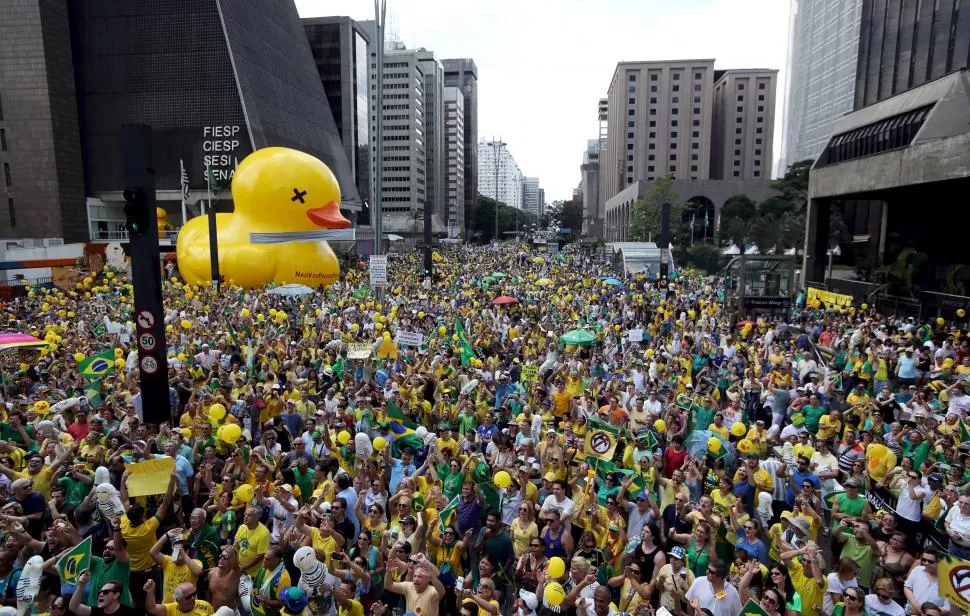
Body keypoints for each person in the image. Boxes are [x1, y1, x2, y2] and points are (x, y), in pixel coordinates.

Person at [143, 580, 214, 616]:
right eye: (188, 597)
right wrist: (150, 592)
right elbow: (151, 609)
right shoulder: (170, 609)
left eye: (194, 594)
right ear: (178, 600)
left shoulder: (206, 606)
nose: (193, 598)